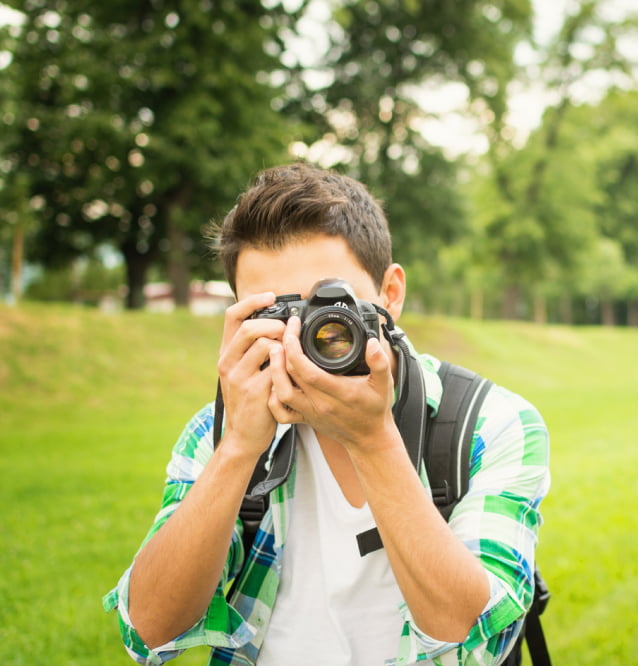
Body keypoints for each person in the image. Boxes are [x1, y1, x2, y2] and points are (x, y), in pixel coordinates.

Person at [103, 163, 551, 665]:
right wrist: (237, 449)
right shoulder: (215, 431)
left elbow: (471, 636)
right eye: (273, 316)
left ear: (390, 293)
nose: (303, 337)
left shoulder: (490, 424)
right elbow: (149, 631)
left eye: (328, 309)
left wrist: (372, 439)